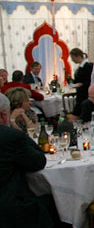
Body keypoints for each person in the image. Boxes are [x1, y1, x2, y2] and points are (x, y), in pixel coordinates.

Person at [0, 94, 55, 227]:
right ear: (3, 115)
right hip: (11, 208)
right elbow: (39, 161)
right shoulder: (10, 137)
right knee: (55, 201)